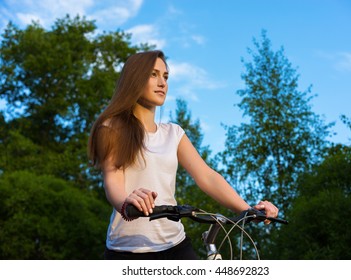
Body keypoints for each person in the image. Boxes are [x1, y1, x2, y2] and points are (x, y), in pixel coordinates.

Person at [88, 50, 279, 260]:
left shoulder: (173, 133)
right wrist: (126, 203)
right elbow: (112, 179)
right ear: (134, 78)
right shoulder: (112, 129)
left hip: (175, 245)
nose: (162, 82)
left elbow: (206, 176)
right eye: (153, 74)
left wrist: (249, 210)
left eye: (165, 76)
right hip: (126, 250)